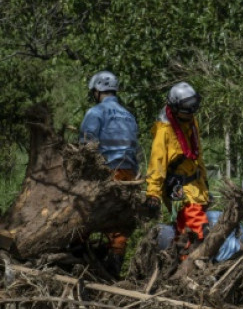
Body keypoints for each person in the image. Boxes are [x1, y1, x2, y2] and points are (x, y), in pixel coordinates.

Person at [79, 70, 140, 274]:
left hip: (105, 173)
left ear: (97, 91)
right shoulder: (129, 116)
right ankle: (114, 267)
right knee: (118, 222)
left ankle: (78, 259)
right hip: (128, 174)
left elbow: (86, 147)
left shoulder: (95, 113)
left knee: (83, 214)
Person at [145, 82, 209, 244]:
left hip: (196, 186)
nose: (191, 112)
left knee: (184, 233)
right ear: (175, 107)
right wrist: (153, 193)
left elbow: (197, 155)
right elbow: (157, 163)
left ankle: (185, 261)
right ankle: (197, 261)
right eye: (187, 108)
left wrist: (205, 186)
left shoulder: (191, 122)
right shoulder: (164, 130)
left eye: (193, 107)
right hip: (179, 189)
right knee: (199, 230)